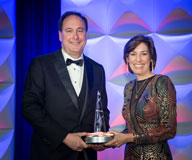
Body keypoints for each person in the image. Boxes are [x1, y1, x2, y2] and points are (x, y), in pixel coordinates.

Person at [22, 11, 110, 160]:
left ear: (86, 35)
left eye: (80, 30)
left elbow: (102, 109)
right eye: (69, 31)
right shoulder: (40, 64)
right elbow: (29, 108)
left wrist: (100, 137)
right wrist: (64, 137)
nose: (75, 36)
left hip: (86, 155)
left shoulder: (97, 69)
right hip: (50, 154)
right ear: (60, 35)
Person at [104, 35, 177, 160]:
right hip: (130, 156)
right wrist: (114, 137)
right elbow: (132, 127)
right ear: (127, 59)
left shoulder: (162, 82)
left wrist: (128, 138)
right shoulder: (129, 87)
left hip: (156, 156)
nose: (138, 59)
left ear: (151, 58)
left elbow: (169, 129)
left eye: (143, 53)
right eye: (133, 54)